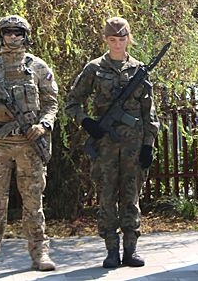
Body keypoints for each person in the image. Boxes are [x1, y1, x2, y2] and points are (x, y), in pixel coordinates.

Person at [0, 15, 58, 274]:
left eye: (18, 32)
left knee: (33, 202)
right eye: (8, 32)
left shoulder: (38, 67)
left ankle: (39, 253)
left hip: (30, 144)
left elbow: (51, 102)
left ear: (26, 35)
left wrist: (44, 125)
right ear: (1, 36)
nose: (14, 37)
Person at [65, 17, 160, 268]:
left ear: (129, 39)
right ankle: (111, 250)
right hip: (105, 144)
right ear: (106, 40)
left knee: (131, 196)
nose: (117, 44)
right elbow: (72, 102)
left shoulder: (139, 71)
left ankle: (131, 249)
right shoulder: (94, 69)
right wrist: (86, 123)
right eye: (112, 40)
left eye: (122, 39)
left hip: (134, 144)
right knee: (107, 196)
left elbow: (149, 111)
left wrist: (148, 144)